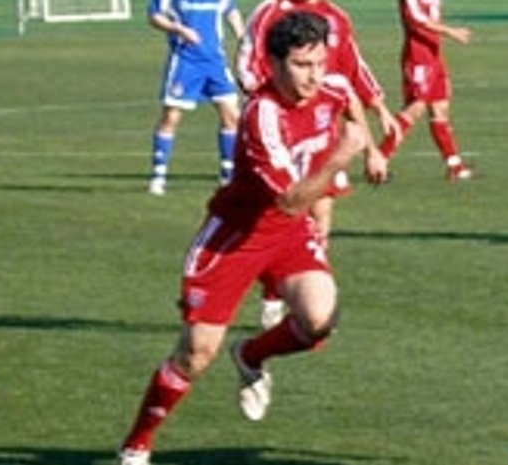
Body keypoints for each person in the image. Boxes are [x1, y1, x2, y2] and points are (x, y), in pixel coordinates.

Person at [118, 12, 367, 465]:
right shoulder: (261, 115)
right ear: (273, 63)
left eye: (319, 63)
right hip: (234, 241)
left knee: (320, 319)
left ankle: (250, 355)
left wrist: (369, 147)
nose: (314, 76)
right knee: (195, 355)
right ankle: (137, 446)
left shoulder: (330, 86)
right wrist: (341, 157)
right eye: (301, 65)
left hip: (288, 235)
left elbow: (349, 101)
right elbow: (289, 200)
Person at [236, 0, 395, 328]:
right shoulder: (269, 12)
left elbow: (353, 65)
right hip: (281, 130)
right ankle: (273, 295)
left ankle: (304, 292)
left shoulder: (335, 15)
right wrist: (279, 99)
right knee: (281, 214)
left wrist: (377, 111)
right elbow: (247, 65)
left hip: (321, 132)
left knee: (320, 219)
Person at [146, 0, 245, 196]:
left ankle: (227, 176)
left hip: (215, 62)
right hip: (185, 63)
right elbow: (154, 16)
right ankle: (158, 176)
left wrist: (242, 38)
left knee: (232, 116)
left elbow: (231, 12)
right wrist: (178, 29)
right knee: (171, 117)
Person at [377, 0, 474, 181]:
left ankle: (454, 166)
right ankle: (379, 160)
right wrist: (451, 32)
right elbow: (418, 21)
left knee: (440, 109)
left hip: (435, 56)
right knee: (415, 109)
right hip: (418, 58)